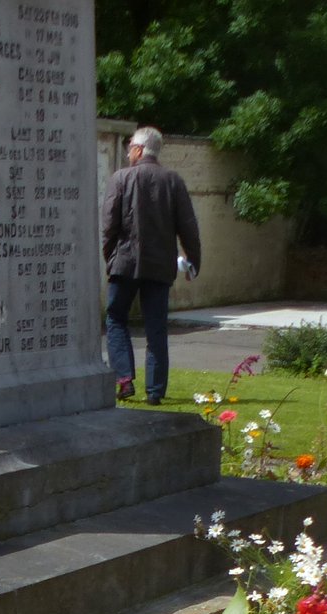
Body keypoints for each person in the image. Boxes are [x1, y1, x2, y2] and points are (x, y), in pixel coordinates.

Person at [100, 126, 201, 406]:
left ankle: (124, 379)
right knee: (156, 327)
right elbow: (188, 227)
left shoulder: (121, 178)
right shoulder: (173, 181)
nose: (128, 150)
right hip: (159, 266)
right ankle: (155, 391)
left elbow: (109, 225)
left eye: (130, 145)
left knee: (116, 318)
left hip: (124, 262)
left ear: (139, 149)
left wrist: (109, 258)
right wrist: (193, 261)